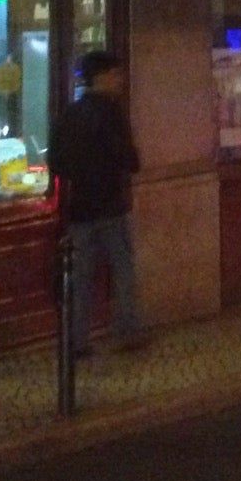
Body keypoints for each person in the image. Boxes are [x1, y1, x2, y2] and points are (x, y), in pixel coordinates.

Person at [48, 50, 144, 355]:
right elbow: (129, 160)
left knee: (81, 279)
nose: (121, 80)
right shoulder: (112, 114)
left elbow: (56, 162)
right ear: (101, 77)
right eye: (116, 74)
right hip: (111, 207)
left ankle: (77, 342)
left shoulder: (70, 114)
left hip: (80, 210)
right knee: (123, 272)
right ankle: (126, 332)